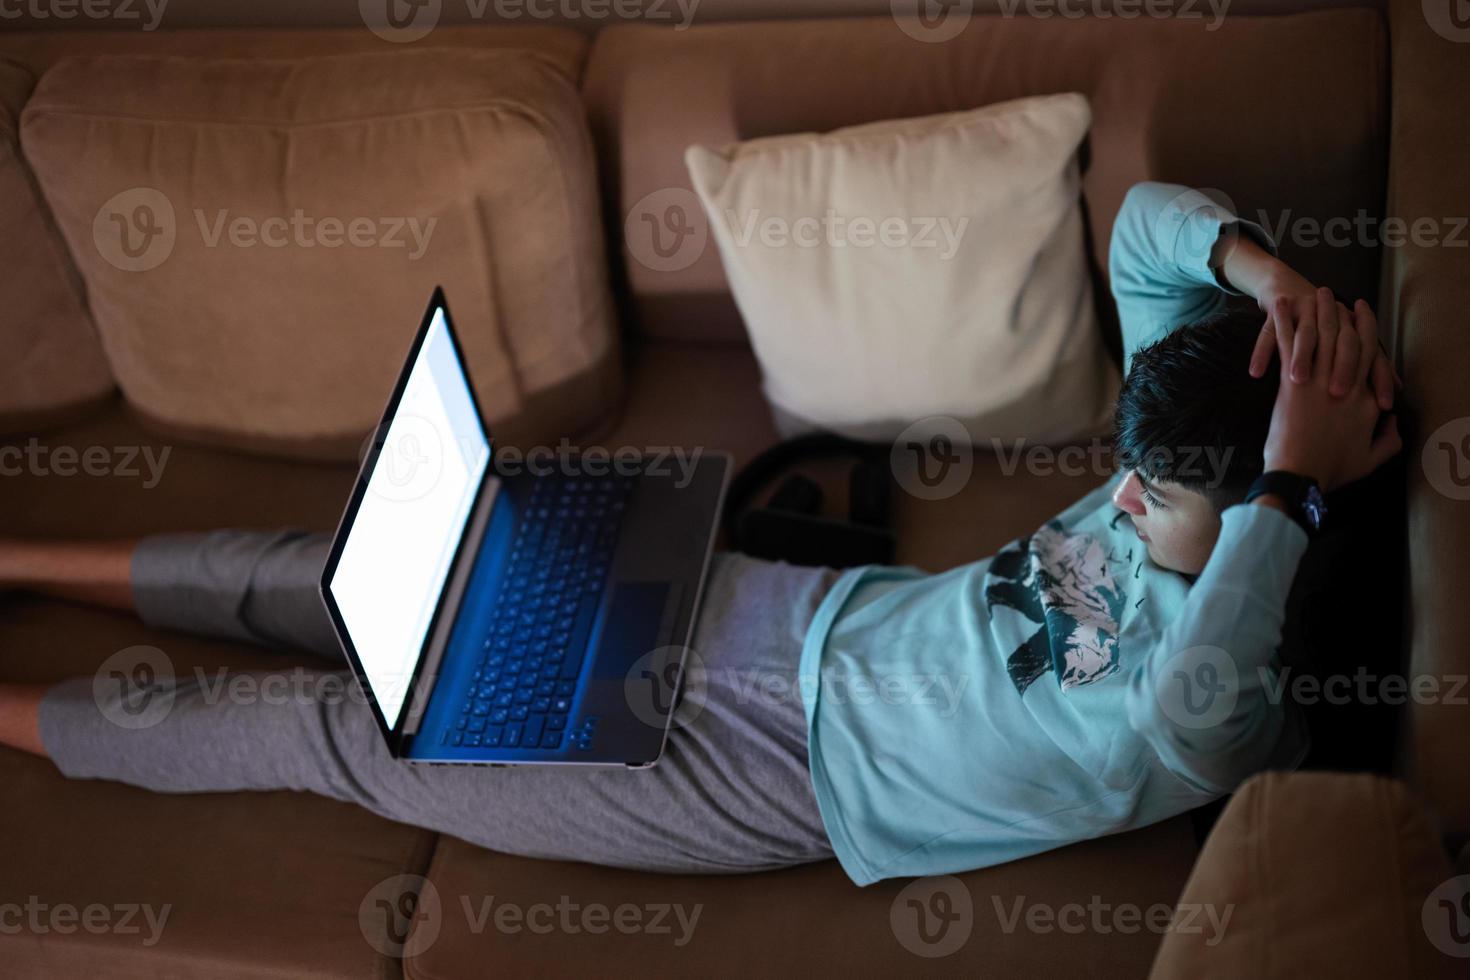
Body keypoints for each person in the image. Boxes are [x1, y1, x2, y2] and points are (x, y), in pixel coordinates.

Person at [0, 183, 1401, 884]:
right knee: (348, 571)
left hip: (760, 778)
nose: (1128, 491)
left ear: (1271, 529)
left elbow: (1195, 685)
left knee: (342, 736)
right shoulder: (1187, 459)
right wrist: (1259, 279)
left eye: (1164, 499)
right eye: (1138, 471)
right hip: (770, 613)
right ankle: (19, 558)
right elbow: (1143, 239)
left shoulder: (1221, 702)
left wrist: (1290, 485)